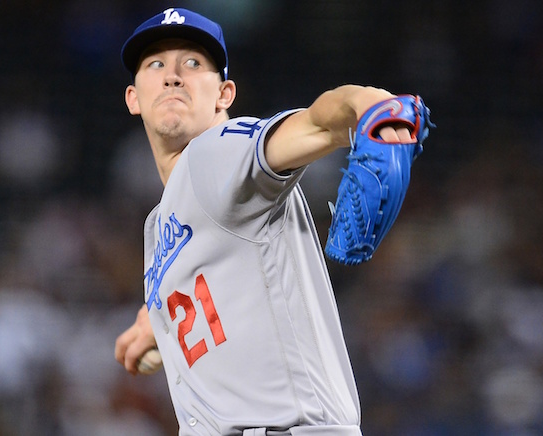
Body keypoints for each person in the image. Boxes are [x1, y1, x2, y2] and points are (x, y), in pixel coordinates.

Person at [115, 7, 418, 435]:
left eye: (194, 63)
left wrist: (366, 102)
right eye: (156, 63)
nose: (173, 75)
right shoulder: (160, 224)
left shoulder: (217, 151)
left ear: (224, 95)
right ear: (133, 97)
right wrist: (158, 323)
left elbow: (316, 123)